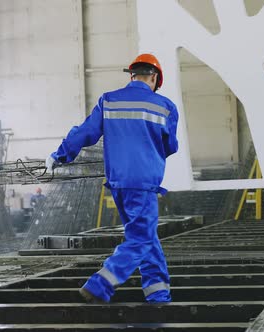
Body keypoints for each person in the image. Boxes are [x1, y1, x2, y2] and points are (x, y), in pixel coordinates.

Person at [45, 54, 179, 303]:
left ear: (132, 75)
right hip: (143, 183)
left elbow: (86, 132)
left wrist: (60, 155)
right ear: (154, 78)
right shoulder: (165, 106)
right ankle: (101, 283)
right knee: (140, 238)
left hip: (117, 182)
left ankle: (158, 293)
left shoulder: (109, 100)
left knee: (146, 236)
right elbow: (171, 146)